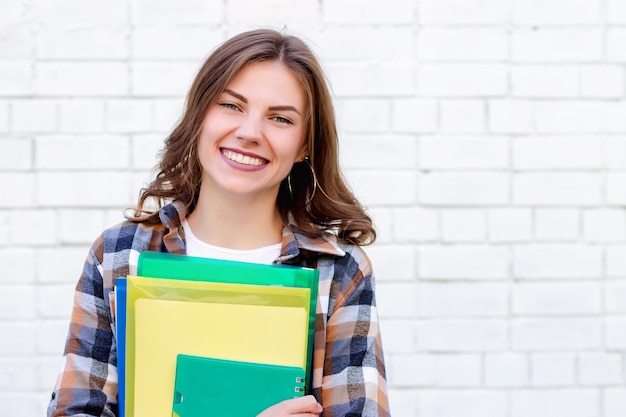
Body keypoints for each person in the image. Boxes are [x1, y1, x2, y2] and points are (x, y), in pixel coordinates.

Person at [47, 28, 389, 417]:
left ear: (305, 145)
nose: (249, 133)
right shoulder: (118, 255)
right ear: (200, 114)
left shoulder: (340, 271)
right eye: (231, 106)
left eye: (280, 118)